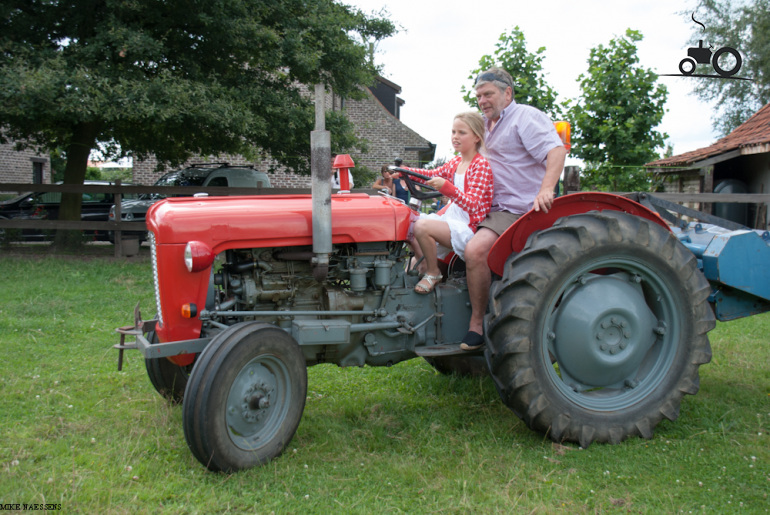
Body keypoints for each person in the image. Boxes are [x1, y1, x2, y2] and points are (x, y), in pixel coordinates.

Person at [460, 67, 567, 351]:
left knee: (475, 250)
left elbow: (555, 151)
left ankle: (476, 325)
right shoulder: (483, 125)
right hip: (485, 207)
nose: (482, 100)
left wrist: (546, 189)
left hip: (516, 209)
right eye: (479, 96)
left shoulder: (525, 117)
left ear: (507, 93)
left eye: (488, 94)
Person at [395, 111, 493, 296]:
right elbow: (431, 175)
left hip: (467, 225)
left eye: (462, 133)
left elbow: (474, 206)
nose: (455, 137)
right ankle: (422, 264)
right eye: (453, 132)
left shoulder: (480, 165)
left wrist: (448, 188)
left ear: (476, 137)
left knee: (422, 226)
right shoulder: (456, 161)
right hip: (452, 216)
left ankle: (434, 272)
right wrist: (404, 171)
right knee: (407, 220)